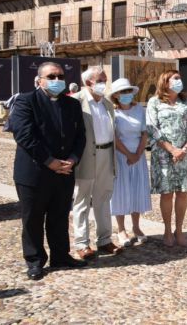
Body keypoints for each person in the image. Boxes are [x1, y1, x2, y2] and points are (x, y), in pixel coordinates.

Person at [11, 62, 87, 280]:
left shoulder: (71, 104)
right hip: (35, 172)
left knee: (60, 216)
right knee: (33, 218)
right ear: (39, 80)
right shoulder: (26, 101)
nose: (57, 80)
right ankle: (35, 260)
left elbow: (80, 135)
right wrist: (49, 161)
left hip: (64, 172)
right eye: (51, 76)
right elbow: (24, 135)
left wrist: (72, 159)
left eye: (60, 76)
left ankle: (61, 255)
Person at [72, 66, 123, 259]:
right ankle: (82, 243)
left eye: (105, 79)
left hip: (106, 154)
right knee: (82, 200)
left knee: (103, 199)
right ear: (88, 83)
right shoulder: (76, 101)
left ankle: (104, 240)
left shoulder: (107, 104)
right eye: (100, 80)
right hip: (85, 156)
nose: (104, 83)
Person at [147, 70, 187, 247]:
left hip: (185, 154)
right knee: (167, 193)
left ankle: (179, 229)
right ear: (165, 82)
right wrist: (172, 149)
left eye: (180, 78)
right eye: (175, 78)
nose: (179, 81)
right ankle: (167, 230)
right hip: (163, 155)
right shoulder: (154, 102)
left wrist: (184, 149)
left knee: (182, 193)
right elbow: (152, 128)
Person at [109, 78, 151, 247]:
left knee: (136, 191)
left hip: (138, 156)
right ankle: (120, 229)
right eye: (122, 92)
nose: (126, 95)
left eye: (128, 91)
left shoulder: (139, 109)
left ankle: (136, 226)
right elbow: (114, 136)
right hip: (121, 156)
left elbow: (144, 133)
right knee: (121, 192)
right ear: (116, 95)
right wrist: (128, 154)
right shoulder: (113, 112)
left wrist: (138, 153)